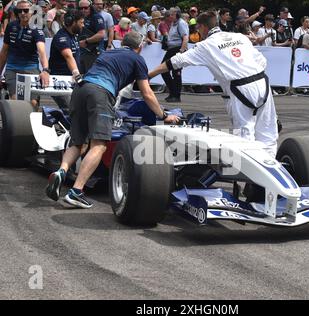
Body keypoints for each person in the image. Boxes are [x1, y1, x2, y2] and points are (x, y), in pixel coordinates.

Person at [45, 31, 180, 208]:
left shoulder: (107, 53)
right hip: (100, 93)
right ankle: (76, 192)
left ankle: (62, 171)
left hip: (80, 90)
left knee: (78, 142)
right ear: (139, 47)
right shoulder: (137, 59)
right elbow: (146, 93)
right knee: (99, 145)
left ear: (123, 42)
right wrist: (163, 115)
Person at [149, 11, 279, 158]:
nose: (197, 31)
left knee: (244, 134)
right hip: (263, 82)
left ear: (204, 27)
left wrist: (147, 76)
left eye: (198, 28)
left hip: (240, 88)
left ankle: (250, 175)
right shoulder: (239, 37)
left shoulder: (206, 45)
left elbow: (175, 62)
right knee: (268, 132)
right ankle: (271, 164)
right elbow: (262, 61)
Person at [0, 0, 49, 109]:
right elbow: (4, 51)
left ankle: (31, 125)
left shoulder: (37, 29)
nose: (22, 13)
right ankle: (16, 125)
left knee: (32, 103)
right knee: (16, 101)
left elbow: (41, 51)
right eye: (19, 10)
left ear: (31, 12)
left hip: (31, 69)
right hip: (12, 69)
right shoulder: (11, 26)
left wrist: (45, 70)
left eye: (26, 10)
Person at [49, 9, 84, 113]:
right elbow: (68, 56)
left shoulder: (73, 36)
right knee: (71, 111)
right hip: (60, 82)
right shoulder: (62, 37)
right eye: (81, 22)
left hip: (70, 82)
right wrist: (76, 74)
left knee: (78, 110)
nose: (83, 25)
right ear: (72, 22)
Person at [161, 7, 189, 103]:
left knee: (175, 72)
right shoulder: (174, 23)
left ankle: (176, 95)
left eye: (172, 14)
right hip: (172, 49)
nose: (170, 16)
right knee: (168, 70)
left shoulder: (181, 23)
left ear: (177, 14)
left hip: (177, 49)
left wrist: (181, 51)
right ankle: (173, 93)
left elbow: (185, 38)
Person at [77, 0, 105, 73]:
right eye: (81, 8)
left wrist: (86, 41)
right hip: (82, 51)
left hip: (94, 52)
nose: (83, 10)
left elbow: (101, 34)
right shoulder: (79, 17)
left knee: (92, 75)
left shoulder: (96, 17)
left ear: (90, 7)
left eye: (86, 8)